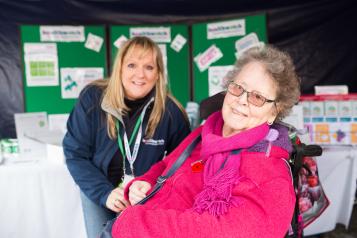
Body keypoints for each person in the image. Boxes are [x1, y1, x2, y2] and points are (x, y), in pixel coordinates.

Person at [111, 45, 301, 238]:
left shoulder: (270, 172)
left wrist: (133, 223)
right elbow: (167, 166)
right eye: (238, 87)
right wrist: (145, 182)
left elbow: (226, 232)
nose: (242, 100)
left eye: (257, 97)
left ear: (274, 112)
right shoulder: (205, 133)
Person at [63, 36, 191, 238]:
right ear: (119, 68)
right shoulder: (93, 98)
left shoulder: (171, 112)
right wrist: (104, 193)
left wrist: (151, 186)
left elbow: (183, 164)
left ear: (158, 74)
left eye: (149, 67)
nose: (140, 74)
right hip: (99, 189)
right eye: (132, 65)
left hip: (143, 194)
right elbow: (75, 154)